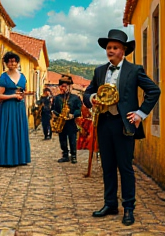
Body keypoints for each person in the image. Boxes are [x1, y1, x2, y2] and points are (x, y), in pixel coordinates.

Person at [83, 29, 161, 226]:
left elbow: (154, 90)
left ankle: (128, 207)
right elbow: (88, 92)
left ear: (123, 50)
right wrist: (92, 99)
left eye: (115, 47)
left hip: (124, 124)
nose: (110, 50)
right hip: (105, 123)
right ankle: (110, 204)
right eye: (108, 47)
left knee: (125, 168)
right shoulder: (100, 70)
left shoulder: (135, 70)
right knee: (107, 166)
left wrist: (140, 114)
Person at [0, 51, 31, 166]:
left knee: (19, 131)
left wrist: (22, 95)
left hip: (19, 108)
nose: (12, 63)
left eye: (14, 61)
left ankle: (20, 158)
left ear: (17, 63)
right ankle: (6, 159)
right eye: (9, 61)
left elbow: (23, 91)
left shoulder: (23, 76)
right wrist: (13, 96)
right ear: (6, 63)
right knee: (8, 132)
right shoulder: (4, 77)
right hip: (7, 108)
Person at [52, 75, 82, 164]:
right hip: (61, 122)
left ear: (70, 86)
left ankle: (73, 156)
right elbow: (54, 109)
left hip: (71, 122)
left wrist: (73, 115)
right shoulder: (57, 98)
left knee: (72, 140)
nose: (63, 88)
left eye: (65, 86)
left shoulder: (75, 98)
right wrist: (56, 115)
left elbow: (79, 109)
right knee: (62, 140)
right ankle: (65, 155)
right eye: (61, 86)